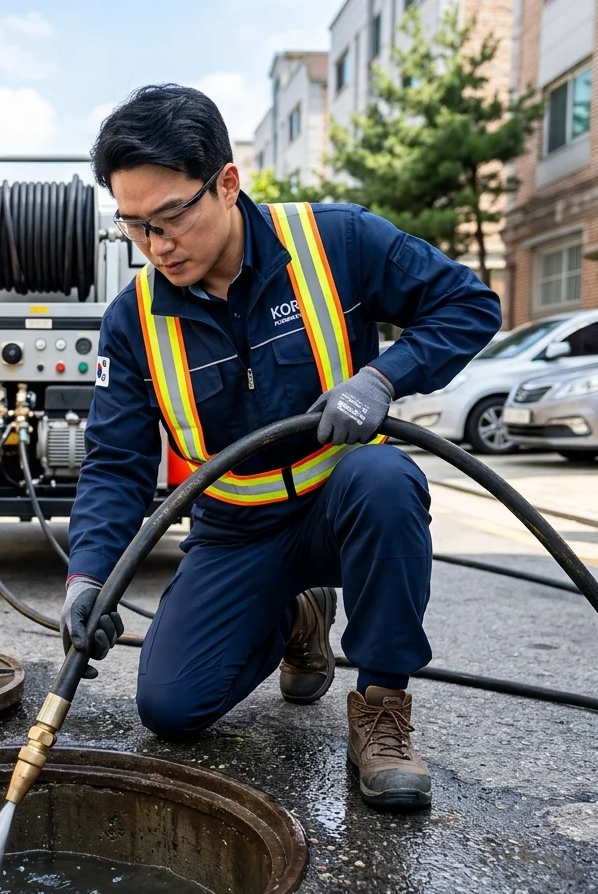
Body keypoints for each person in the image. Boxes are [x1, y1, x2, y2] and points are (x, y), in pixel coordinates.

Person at [60, 84, 502, 811]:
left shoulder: (339, 242)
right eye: (134, 226)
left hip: (343, 507)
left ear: (227, 183)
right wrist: (88, 577)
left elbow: (468, 305)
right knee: (170, 709)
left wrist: (385, 378)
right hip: (236, 534)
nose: (157, 245)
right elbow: (116, 462)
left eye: (170, 216)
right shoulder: (132, 322)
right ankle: (297, 615)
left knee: (387, 477)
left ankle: (382, 707)